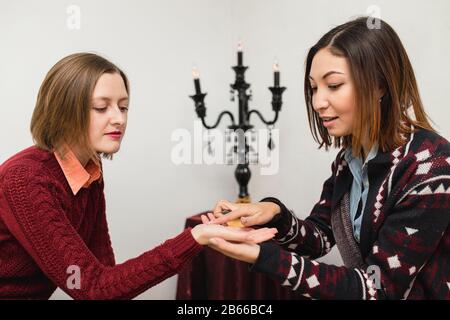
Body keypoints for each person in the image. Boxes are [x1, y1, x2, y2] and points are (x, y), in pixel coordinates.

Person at [204, 17, 450, 299]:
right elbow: (319, 238)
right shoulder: (350, 158)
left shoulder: (431, 167)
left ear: (380, 85)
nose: (317, 101)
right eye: (314, 87)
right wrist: (272, 213)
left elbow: (377, 290)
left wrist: (263, 257)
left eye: (333, 85)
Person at [0, 53, 277, 299]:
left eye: (123, 106)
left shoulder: (90, 170)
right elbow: (93, 289)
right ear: (64, 111)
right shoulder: (25, 178)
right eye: (101, 107)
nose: (119, 119)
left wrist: (200, 234)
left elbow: (106, 274)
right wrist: (194, 237)